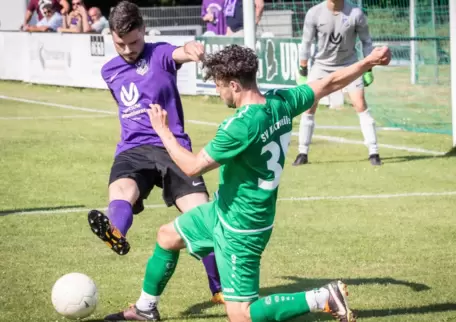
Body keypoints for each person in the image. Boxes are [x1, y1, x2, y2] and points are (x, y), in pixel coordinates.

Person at [103, 43, 391, 321]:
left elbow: (191, 167)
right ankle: (145, 308)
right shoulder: (281, 102)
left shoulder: (240, 126)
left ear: (234, 85)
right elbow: (328, 83)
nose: (217, 92)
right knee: (167, 236)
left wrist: (163, 132)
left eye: (218, 85)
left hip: (241, 227)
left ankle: (322, 297)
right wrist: (367, 62)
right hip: (222, 211)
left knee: (241, 314)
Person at [86, 1, 223, 304]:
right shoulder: (109, 71)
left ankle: (220, 288)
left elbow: (181, 52)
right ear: (111, 36)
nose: (128, 49)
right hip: (133, 148)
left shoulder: (159, 54)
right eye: (121, 43)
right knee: (121, 191)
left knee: (201, 217)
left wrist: (192, 49)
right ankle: (116, 232)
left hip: (172, 147)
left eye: (134, 41)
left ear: (144, 30)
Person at [294, 0, 382, 166]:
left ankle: (374, 152)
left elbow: (366, 41)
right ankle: (302, 152)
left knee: (360, 104)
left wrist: (368, 68)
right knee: (308, 106)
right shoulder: (314, 13)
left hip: (349, 64)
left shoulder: (356, 14)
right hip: (321, 66)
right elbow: (306, 43)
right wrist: (303, 70)